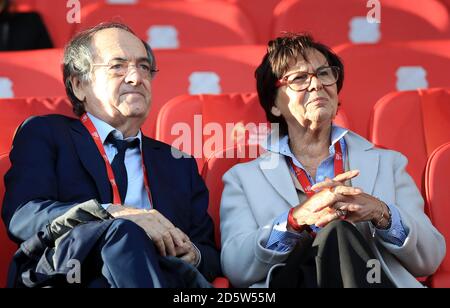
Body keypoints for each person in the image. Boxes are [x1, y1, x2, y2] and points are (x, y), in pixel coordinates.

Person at [2, 22, 221, 288]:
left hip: (162, 275)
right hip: (72, 275)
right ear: (80, 84)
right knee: (124, 232)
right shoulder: (46, 134)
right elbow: (24, 217)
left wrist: (193, 254)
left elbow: (210, 256)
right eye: (118, 66)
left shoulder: (178, 163)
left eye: (143, 67)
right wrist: (112, 214)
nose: (136, 78)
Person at [220, 33, 445, 288]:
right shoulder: (243, 178)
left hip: (373, 281)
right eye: (299, 79)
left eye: (324, 73)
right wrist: (294, 221)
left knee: (339, 233)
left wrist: (382, 214)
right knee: (334, 233)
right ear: (274, 105)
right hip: (296, 282)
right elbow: (237, 268)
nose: (316, 85)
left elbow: (430, 259)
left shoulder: (388, 163)